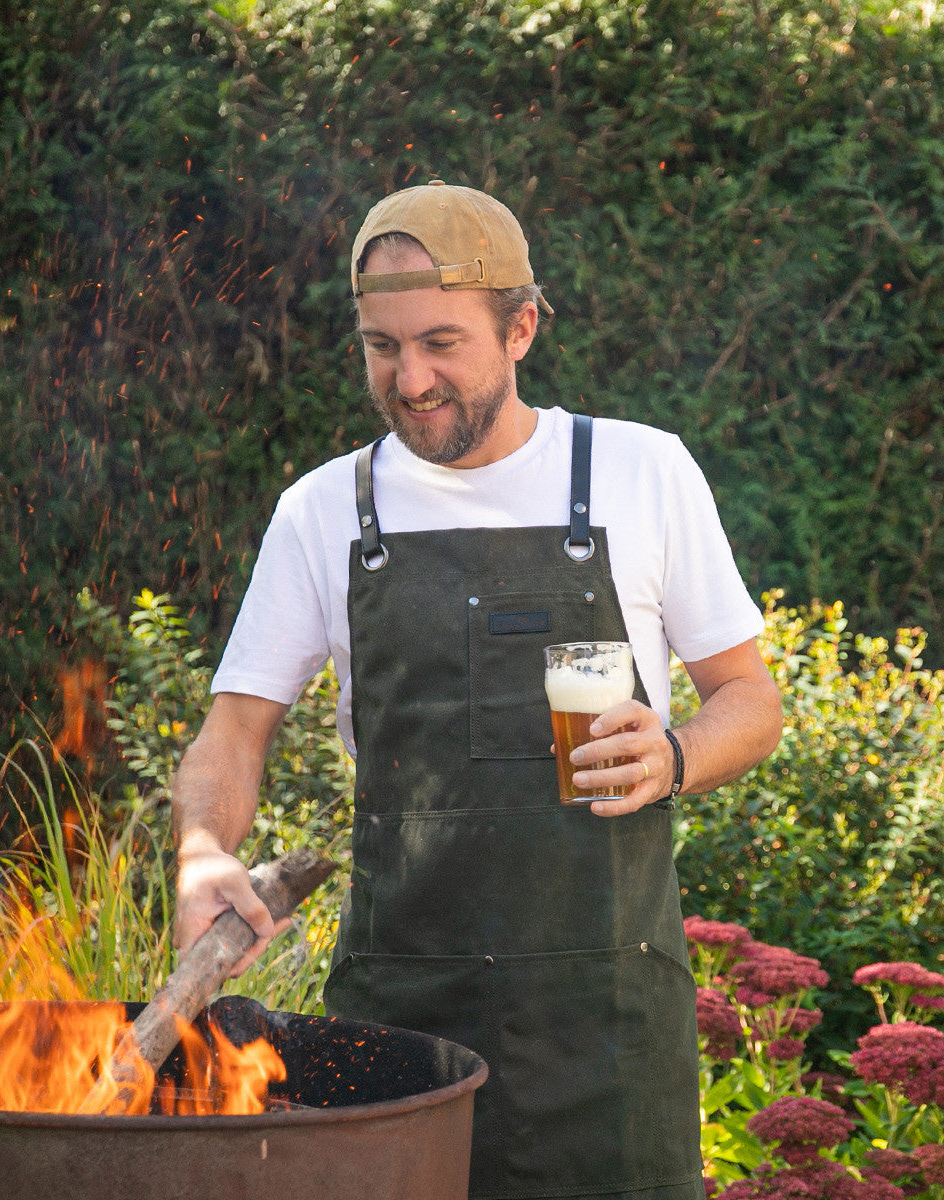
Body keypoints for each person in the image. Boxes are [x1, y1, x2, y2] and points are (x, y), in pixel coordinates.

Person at [172, 180, 783, 1200]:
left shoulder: (640, 473)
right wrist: (200, 850)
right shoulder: (327, 511)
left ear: (522, 327)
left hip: (607, 1027)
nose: (410, 380)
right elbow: (234, 730)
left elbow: (749, 701)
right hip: (399, 1024)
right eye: (381, 346)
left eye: (441, 343)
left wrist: (674, 756)